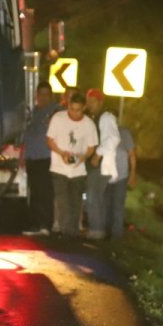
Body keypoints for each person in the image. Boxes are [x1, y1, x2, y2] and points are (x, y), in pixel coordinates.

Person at [46, 91, 98, 237]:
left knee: (75, 202)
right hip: (59, 168)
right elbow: (49, 140)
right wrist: (62, 153)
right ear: (68, 106)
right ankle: (66, 232)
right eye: (72, 109)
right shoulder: (58, 118)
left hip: (78, 170)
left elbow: (91, 147)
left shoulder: (89, 124)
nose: (75, 113)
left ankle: (72, 233)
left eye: (78, 110)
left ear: (84, 108)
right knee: (62, 201)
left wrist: (82, 157)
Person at [22, 81, 61, 235]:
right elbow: (28, 135)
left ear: (50, 96)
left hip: (47, 158)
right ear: (36, 96)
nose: (43, 98)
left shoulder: (55, 112)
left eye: (46, 95)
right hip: (32, 158)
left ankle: (45, 225)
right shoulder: (34, 113)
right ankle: (35, 224)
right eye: (40, 94)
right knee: (35, 193)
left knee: (46, 193)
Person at [83, 89, 120, 240]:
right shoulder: (94, 117)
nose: (89, 104)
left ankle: (96, 230)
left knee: (93, 196)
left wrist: (98, 154)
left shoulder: (105, 117)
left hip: (100, 166)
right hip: (95, 166)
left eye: (92, 101)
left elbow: (113, 139)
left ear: (100, 102)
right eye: (88, 101)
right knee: (95, 197)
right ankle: (97, 229)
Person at [106, 125, 137, 238]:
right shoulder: (103, 131)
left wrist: (133, 173)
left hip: (121, 175)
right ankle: (107, 231)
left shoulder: (124, 133)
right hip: (106, 176)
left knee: (118, 205)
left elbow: (132, 154)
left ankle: (116, 234)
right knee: (106, 204)